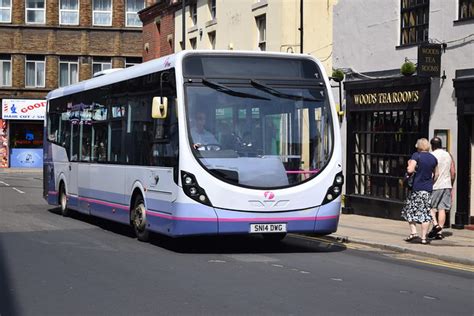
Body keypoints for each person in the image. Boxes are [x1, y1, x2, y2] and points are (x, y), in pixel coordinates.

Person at [401, 138, 438, 245]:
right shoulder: (433, 158)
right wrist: (430, 183)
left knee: (409, 210)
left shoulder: (416, 155)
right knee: (425, 213)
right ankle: (423, 238)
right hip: (427, 189)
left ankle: (414, 232)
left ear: (419, 146)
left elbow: (410, 170)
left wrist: (409, 164)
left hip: (417, 188)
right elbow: (437, 174)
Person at [428, 137, 456, 240]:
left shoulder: (431, 155)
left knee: (429, 207)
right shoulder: (448, 155)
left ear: (432, 146)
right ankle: (439, 232)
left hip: (435, 185)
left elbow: (430, 172)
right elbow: (453, 172)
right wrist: (451, 183)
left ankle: (435, 225)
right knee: (442, 208)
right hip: (447, 185)